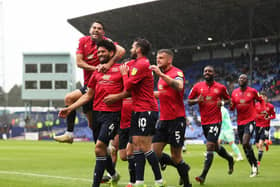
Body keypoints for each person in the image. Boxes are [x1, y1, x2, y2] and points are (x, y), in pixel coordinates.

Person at [58, 40, 122, 187]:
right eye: (98, 52)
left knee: (100, 147)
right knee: (101, 151)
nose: (100, 54)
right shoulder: (96, 73)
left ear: (111, 53)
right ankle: (114, 175)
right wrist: (70, 108)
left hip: (113, 115)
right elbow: (88, 95)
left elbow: (130, 91)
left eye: (103, 51)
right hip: (98, 115)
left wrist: (117, 97)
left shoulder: (121, 70)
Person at [104, 38, 164, 187]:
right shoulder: (137, 64)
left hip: (146, 110)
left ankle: (159, 180)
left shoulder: (142, 64)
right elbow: (126, 65)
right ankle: (139, 181)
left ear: (138, 49)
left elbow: (129, 85)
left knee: (144, 146)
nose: (130, 49)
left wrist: (124, 74)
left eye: (132, 47)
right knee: (136, 145)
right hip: (138, 110)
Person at [54, 21, 125, 143]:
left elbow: (121, 50)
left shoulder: (107, 42)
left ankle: (69, 134)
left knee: (69, 98)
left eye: (99, 28)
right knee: (92, 124)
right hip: (89, 84)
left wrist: (108, 65)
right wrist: (97, 68)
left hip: (101, 85)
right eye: (94, 28)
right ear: (90, 30)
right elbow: (79, 62)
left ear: (103, 32)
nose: (96, 30)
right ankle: (103, 147)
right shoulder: (83, 41)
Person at [151, 49, 192, 187]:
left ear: (169, 60)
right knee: (154, 153)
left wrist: (161, 74)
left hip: (176, 120)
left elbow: (179, 86)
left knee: (176, 156)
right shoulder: (161, 77)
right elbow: (163, 94)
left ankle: (187, 184)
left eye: (161, 58)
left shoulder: (177, 73)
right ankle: (183, 167)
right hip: (163, 120)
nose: (158, 60)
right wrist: (146, 94)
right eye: (157, 57)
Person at [188, 65, 234, 185]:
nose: (207, 72)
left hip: (216, 121)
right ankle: (230, 158)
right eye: (205, 71)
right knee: (215, 147)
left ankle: (203, 176)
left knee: (209, 146)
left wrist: (222, 102)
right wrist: (197, 101)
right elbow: (189, 101)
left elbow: (229, 100)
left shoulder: (220, 87)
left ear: (214, 74)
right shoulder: (197, 87)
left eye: (210, 71)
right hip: (204, 122)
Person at [230, 74, 265, 177]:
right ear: (238, 80)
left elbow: (261, 100)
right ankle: (254, 165)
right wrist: (231, 105)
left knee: (245, 143)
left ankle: (254, 166)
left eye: (244, 78)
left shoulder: (253, 91)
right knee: (245, 147)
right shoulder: (234, 93)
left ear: (247, 81)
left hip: (250, 120)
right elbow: (232, 108)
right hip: (240, 122)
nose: (241, 80)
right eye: (240, 78)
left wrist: (262, 110)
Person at [255, 91, 275, 166]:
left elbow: (273, 115)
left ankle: (258, 162)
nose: (262, 98)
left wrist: (269, 117)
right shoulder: (256, 105)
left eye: (264, 97)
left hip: (265, 126)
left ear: (266, 97)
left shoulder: (270, 106)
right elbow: (253, 114)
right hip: (257, 126)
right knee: (257, 145)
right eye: (261, 97)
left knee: (260, 144)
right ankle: (266, 143)